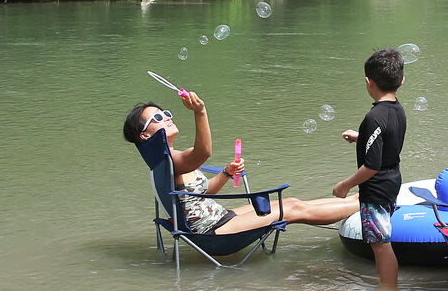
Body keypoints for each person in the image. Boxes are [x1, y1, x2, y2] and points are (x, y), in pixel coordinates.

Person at [122, 90, 360, 234]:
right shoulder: (171, 160)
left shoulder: (168, 160)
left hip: (219, 216)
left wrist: (226, 173)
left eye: (165, 113)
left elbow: (203, 195)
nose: (166, 117)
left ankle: (354, 200)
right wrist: (200, 112)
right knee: (292, 209)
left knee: (290, 201)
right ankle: (367, 204)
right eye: (157, 117)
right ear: (144, 134)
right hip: (213, 232)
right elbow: (203, 152)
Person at [334, 48, 406, 289]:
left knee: (380, 244)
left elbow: (372, 166)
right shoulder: (398, 109)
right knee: (381, 241)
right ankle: (387, 286)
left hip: (377, 186)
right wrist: (361, 137)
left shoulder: (374, 117)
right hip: (392, 179)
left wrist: (345, 185)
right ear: (401, 81)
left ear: (368, 82)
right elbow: (387, 139)